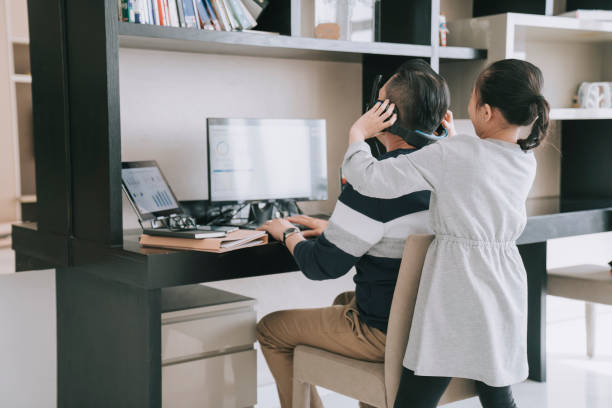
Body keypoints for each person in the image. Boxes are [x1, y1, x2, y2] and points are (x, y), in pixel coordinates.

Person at [341, 59, 550, 408]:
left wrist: (357, 135)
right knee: (495, 385)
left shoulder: (454, 154)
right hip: (503, 283)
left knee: (420, 388)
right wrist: (453, 142)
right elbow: (478, 176)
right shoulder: (524, 159)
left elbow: (372, 179)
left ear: (484, 111)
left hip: (457, 285)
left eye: (472, 96)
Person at [256, 59, 453, 408]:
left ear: (385, 115)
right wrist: (335, 227)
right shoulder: (452, 175)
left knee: (271, 328)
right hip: (431, 332)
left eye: (378, 103)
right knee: (341, 302)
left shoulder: (374, 181)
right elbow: (397, 230)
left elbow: (322, 267)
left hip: (385, 334)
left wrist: (287, 233)